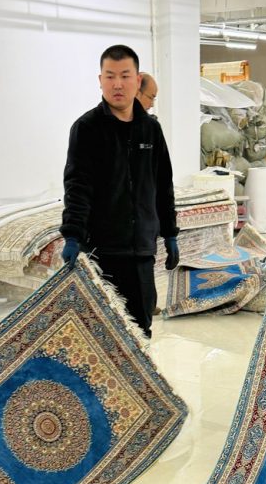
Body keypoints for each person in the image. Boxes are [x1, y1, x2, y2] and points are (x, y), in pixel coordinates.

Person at [60, 46, 178, 337]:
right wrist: (73, 235)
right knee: (101, 333)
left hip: (141, 251)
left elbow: (163, 184)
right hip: (102, 251)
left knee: (141, 328)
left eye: (125, 76)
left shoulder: (150, 130)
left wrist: (170, 233)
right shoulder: (87, 128)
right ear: (100, 80)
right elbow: (77, 186)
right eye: (110, 76)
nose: (117, 84)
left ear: (137, 81)